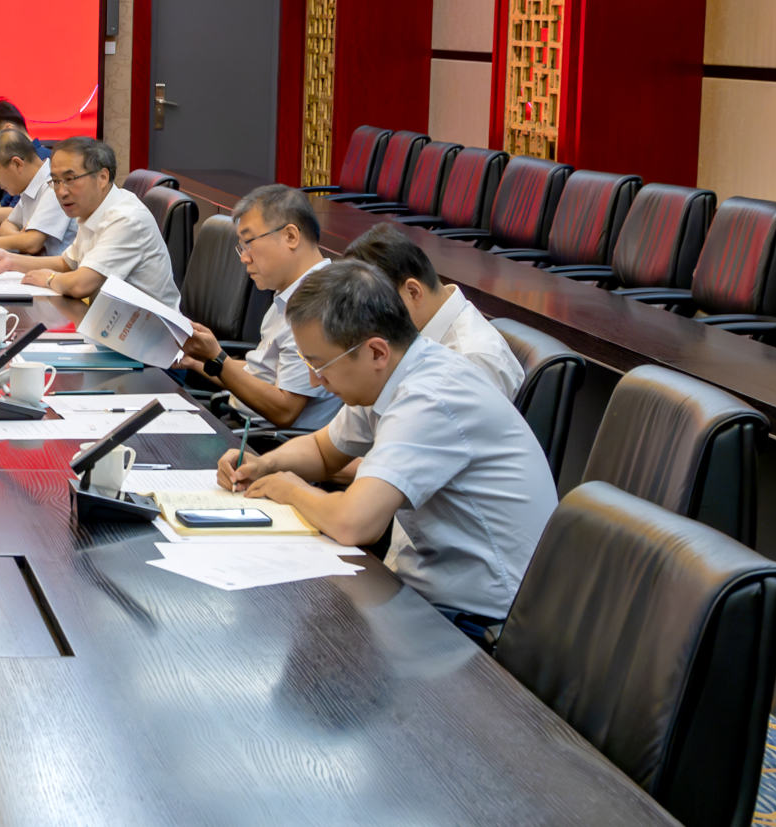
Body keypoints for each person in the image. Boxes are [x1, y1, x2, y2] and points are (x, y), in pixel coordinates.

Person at [218, 262, 557, 639]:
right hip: (426, 592)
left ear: (376, 352)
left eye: (320, 365)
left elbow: (352, 523)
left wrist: (290, 489)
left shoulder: (429, 398)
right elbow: (324, 450)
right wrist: (264, 465)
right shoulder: (392, 372)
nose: (315, 380)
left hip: (479, 623)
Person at [177, 184, 341, 431]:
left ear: (290, 236)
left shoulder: (318, 303)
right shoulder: (288, 294)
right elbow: (261, 373)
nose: (244, 257)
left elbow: (284, 411)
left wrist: (216, 358)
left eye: (249, 242)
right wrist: (194, 360)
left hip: (267, 440)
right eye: (241, 246)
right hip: (242, 423)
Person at [0, 137, 178, 308]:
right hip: (114, 326)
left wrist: (49, 279)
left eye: (70, 179)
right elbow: (68, 263)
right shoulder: (91, 208)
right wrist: (10, 260)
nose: (61, 191)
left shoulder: (125, 218)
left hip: (149, 337)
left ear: (102, 177)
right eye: (55, 181)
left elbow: (81, 284)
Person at [341, 224, 524, 399]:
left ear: (413, 293)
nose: (369, 325)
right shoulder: (412, 337)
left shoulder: (471, 358)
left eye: (374, 310)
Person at [0, 127, 75, 257]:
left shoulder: (53, 186)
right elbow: (7, 224)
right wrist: (19, 238)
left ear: (17, 164)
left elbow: (31, 244)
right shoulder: (31, 185)